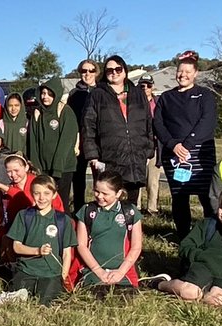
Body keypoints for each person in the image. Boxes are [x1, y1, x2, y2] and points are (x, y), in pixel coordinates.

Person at [141, 187, 222, 306]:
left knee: (216, 301)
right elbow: (185, 246)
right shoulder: (208, 224)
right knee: (189, 292)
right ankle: (159, 283)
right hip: (203, 268)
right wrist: (201, 257)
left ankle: (205, 293)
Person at [153, 51, 218, 237]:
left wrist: (188, 145)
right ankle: (183, 234)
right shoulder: (166, 97)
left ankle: (209, 234)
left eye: (188, 72)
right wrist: (173, 145)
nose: (183, 75)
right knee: (179, 197)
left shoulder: (204, 95)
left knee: (206, 196)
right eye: (180, 71)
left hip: (200, 153)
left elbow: (207, 121)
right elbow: (158, 123)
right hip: (174, 154)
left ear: (196, 73)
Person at [81, 55, 155, 203]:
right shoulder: (97, 94)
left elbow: (148, 123)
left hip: (135, 156)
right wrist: (93, 156)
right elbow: (88, 126)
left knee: (131, 203)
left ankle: (131, 226)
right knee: (109, 200)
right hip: (109, 157)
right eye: (109, 70)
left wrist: (148, 151)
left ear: (125, 71)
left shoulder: (138, 94)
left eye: (118, 69)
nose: (114, 72)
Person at [6, 175, 77, 305]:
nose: (42, 198)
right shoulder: (24, 215)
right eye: (37, 193)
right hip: (26, 269)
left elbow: (67, 253)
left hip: (51, 273)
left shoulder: (63, 220)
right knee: (16, 302)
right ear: (32, 194)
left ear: (54, 195)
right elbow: (16, 246)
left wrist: (63, 276)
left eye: (46, 193)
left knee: (46, 303)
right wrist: (37, 250)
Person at [74, 171, 144, 297]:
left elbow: (136, 246)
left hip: (122, 270)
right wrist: (98, 271)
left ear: (118, 193)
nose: (99, 196)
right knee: (95, 297)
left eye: (105, 193)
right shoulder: (87, 211)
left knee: (125, 298)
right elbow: (81, 245)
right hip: (93, 269)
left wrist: (121, 272)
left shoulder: (130, 212)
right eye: (96, 191)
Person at [27, 79, 79, 209]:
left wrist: (58, 168)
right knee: (43, 203)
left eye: (49, 94)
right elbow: (33, 142)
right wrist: (36, 166)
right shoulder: (37, 113)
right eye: (43, 93)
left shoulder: (65, 111)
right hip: (43, 168)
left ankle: (64, 228)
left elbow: (66, 142)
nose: (45, 97)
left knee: (61, 204)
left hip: (63, 168)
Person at [67, 59, 100, 211]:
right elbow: (71, 119)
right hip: (79, 139)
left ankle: (101, 207)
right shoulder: (74, 94)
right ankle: (80, 209)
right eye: (84, 71)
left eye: (91, 70)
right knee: (78, 176)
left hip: (98, 140)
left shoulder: (102, 91)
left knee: (99, 177)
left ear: (96, 72)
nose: (87, 74)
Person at [138, 74, 162, 213]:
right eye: (143, 85)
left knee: (152, 180)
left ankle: (152, 209)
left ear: (153, 87)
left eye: (149, 85)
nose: (146, 88)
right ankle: (136, 207)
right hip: (139, 145)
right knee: (137, 179)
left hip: (154, 145)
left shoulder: (158, 102)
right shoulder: (133, 103)